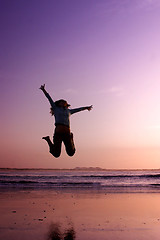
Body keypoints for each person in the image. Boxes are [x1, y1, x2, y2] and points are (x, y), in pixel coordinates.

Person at [40, 84, 93, 158]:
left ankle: (71, 138)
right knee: (56, 154)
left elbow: (78, 109)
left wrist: (86, 107)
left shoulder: (69, 111)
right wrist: (43, 90)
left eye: (64, 102)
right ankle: (48, 140)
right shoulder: (55, 108)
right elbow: (49, 98)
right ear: (58, 103)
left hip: (67, 133)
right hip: (58, 133)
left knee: (71, 153)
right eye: (61, 102)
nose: (63, 102)